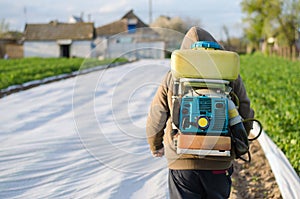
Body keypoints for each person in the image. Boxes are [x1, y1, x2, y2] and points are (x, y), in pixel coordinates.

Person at [146, 26, 254, 199]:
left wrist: (155, 145)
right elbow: (246, 112)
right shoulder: (229, 74)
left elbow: (156, 114)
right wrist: (238, 144)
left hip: (181, 160)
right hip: (219, 160)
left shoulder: (173, 76)